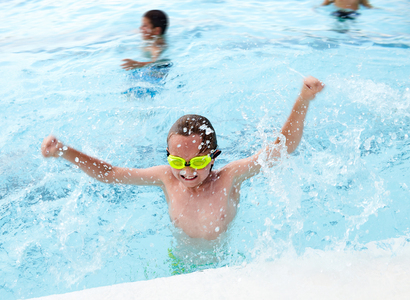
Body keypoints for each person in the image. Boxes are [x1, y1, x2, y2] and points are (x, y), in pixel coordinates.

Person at [41, 76, 324, 241]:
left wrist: (302, 100)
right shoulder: (166, 178)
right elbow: (111, 173)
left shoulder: (229, 177)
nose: (187, 171)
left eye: (198, 161)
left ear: (213, 158)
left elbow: (281, 150)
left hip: (227, 263)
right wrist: (66, 152)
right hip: (181, 262)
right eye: (178, 162)